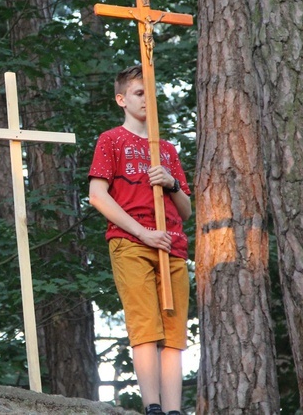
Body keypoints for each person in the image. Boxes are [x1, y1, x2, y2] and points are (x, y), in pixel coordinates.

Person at [88, 65, 192, 415]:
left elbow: (187, 210)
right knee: (145, 327)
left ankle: (175, 410)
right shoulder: (112, 140)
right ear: (121, 99)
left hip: (172, 245)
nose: (147, 99)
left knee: (175, 334)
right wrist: (142, 231)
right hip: (132, 242)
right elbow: (97, 195)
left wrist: (171, 183)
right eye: (138, 93)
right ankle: (153, 407)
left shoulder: (167, 149)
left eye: (151, 92)